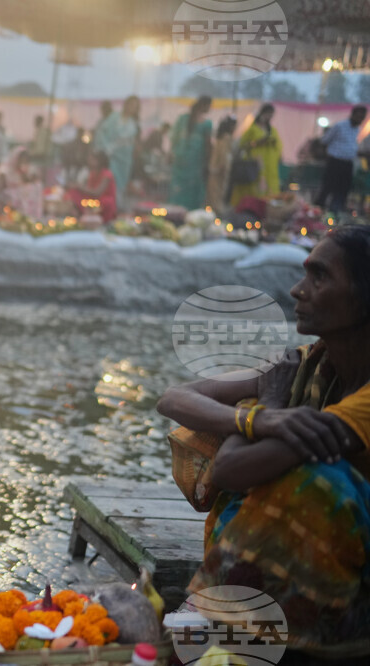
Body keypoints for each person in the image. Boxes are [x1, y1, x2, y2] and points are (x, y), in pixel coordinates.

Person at [156, 225, 370, 653]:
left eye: (319, 276)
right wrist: (258, 420)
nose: (297, 289)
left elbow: (232, 469)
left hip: (354, 577)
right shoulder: (308, 364)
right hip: (307, 562)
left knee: (314, 479)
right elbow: (175, 399)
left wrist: (265, 408)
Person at [314, 105, 367, 216]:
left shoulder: (357, 129)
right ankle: (317, 213)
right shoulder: (339, 126)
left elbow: (351, 147)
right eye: (359, 117)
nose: (360, 120)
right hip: (335, 163)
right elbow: (324, 141)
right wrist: (323, 156)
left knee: (343, 190)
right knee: (327, 187)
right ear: (352, 115)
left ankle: (334, 215)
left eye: (362, 118)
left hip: (347, 164)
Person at [230, 103, 281, 208]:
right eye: (268, 114)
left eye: (271, 115)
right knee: (254, 187)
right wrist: (256, 143)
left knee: (268, 187)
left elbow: (279, 146)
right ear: (262, 113)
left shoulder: (272, 130)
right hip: (255, 162)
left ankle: (265, 210)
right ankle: (250, 208)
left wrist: (271, 142)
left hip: (269, 164)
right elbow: (243, 145)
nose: (269, 117)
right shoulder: (252, 129)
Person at [93, 95, 140, 211]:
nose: (132, 108)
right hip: (108, 158)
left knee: (119, 188)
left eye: (135, 106)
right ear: (126, 104)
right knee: (106, 184)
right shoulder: (114, 117)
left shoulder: (133, 124)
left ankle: (114, 210)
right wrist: (106, 149)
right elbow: (101, 133)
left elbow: (131, 144)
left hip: (123, 161)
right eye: (131, 104)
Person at [169, 96, 212, 210]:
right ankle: (179, 213)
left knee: (188, 188)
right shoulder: (184, 119)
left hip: (193, 163)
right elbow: (174, 138)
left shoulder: (206, 123)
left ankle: (184, 214)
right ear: (203, 105)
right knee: (182, 188)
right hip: (184, 162)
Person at [0, 146, 43, 220]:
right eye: (22, 161)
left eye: (26, 161)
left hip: (15, 207)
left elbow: (29, 182)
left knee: (36, 187)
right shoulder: (4, 172)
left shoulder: (23, 171)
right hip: (2, 207)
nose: (24, 163)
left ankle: (31, 217)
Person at [65, 150, 117, 222]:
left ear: (99, 161)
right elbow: (88, 190)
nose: (89, 161)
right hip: (92, 202)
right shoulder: (92, 173)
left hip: (102, 203)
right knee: (73, 193)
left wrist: (79, 186)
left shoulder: (107, 174)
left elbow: (97, 193)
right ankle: (80, 215)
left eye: (92, 159)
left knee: (106, 202)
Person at [207, 116, 238, 212]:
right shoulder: (226, 138)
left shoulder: (220, 137)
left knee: (213, 193)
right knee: (218, 194)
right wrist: (223, 167)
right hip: (220, 170)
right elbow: (225, 155)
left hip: (215, 168)